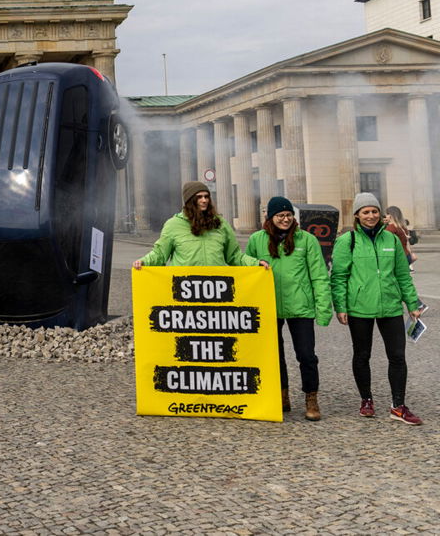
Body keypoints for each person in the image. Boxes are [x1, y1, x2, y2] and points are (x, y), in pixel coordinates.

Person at [330, 192, 425, 425]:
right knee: (362, 355)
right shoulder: (347, 241)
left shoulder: (391, 239)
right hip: (359, 307)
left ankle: (398, 406)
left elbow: (403, 275)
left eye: (374, 211)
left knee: (397, 356)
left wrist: (412, 303)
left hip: (390, 306)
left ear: (379, 214)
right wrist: (340, 306)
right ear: (357, 215)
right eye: (366, 212)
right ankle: (366, 400)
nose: (371, 215)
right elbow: (339, 276)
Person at [244, 197, 331, 420]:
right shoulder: (257, 240)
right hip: (269, 305)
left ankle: (311, 397)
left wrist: (323, 309)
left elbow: (320, 275)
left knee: (307, 355)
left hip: (300, 305)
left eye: (288, 215)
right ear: (270, 218)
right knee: (274, 355)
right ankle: (282, 395)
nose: (285, 219)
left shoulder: (307, 240)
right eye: (280, 215)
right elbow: (247, 269)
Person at [133, 182, 266, 269]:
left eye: (206, 196)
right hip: (185, 289)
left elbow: (234, 256)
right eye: (199, 197)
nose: (204, 200)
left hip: (216, 288)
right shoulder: (173, 225)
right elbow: (160, 254)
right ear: (190, 200)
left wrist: (255, 263)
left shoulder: (220, 224)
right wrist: (144, 261)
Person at [383, 206, 416, 272]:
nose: (385, 216)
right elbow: (407, 243)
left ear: (390, 215)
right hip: (407, 256)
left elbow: (386, 244)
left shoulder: (391, 228)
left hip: (397, 257)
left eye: (387, 214)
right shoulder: (403, 227)